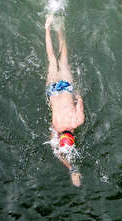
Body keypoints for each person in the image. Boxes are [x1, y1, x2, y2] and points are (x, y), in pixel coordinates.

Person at [45, 14, 85, 186]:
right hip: (52, 91)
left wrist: (77, 92)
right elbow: (57, 152)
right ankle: (46, 28)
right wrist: (71, 169)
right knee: (52, 59)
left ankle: (58, 31)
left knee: (63, 58)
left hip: (67, 87)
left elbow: (79, 98)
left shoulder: (78, 120)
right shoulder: (56, 126)